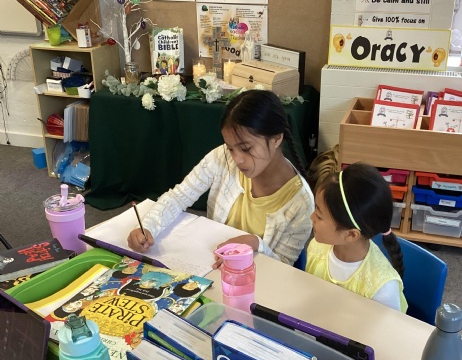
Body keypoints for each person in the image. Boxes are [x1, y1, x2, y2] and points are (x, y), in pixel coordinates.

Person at [128, 89, 314, 267]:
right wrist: (148, 226)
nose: (237, 159)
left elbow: (283, 268)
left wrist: (256, 244)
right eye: (231, 148)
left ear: (276, 139)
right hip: (210, 263)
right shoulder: (222, 157)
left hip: (251, 280)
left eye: (246, 148)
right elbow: (179, 197)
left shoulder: (301, 203)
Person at [306, 160, 407, 312]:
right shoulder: (316, 248)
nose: (311, 217)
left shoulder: (382, 288)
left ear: (351, 234)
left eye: (319, 216)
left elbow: (385, 328)